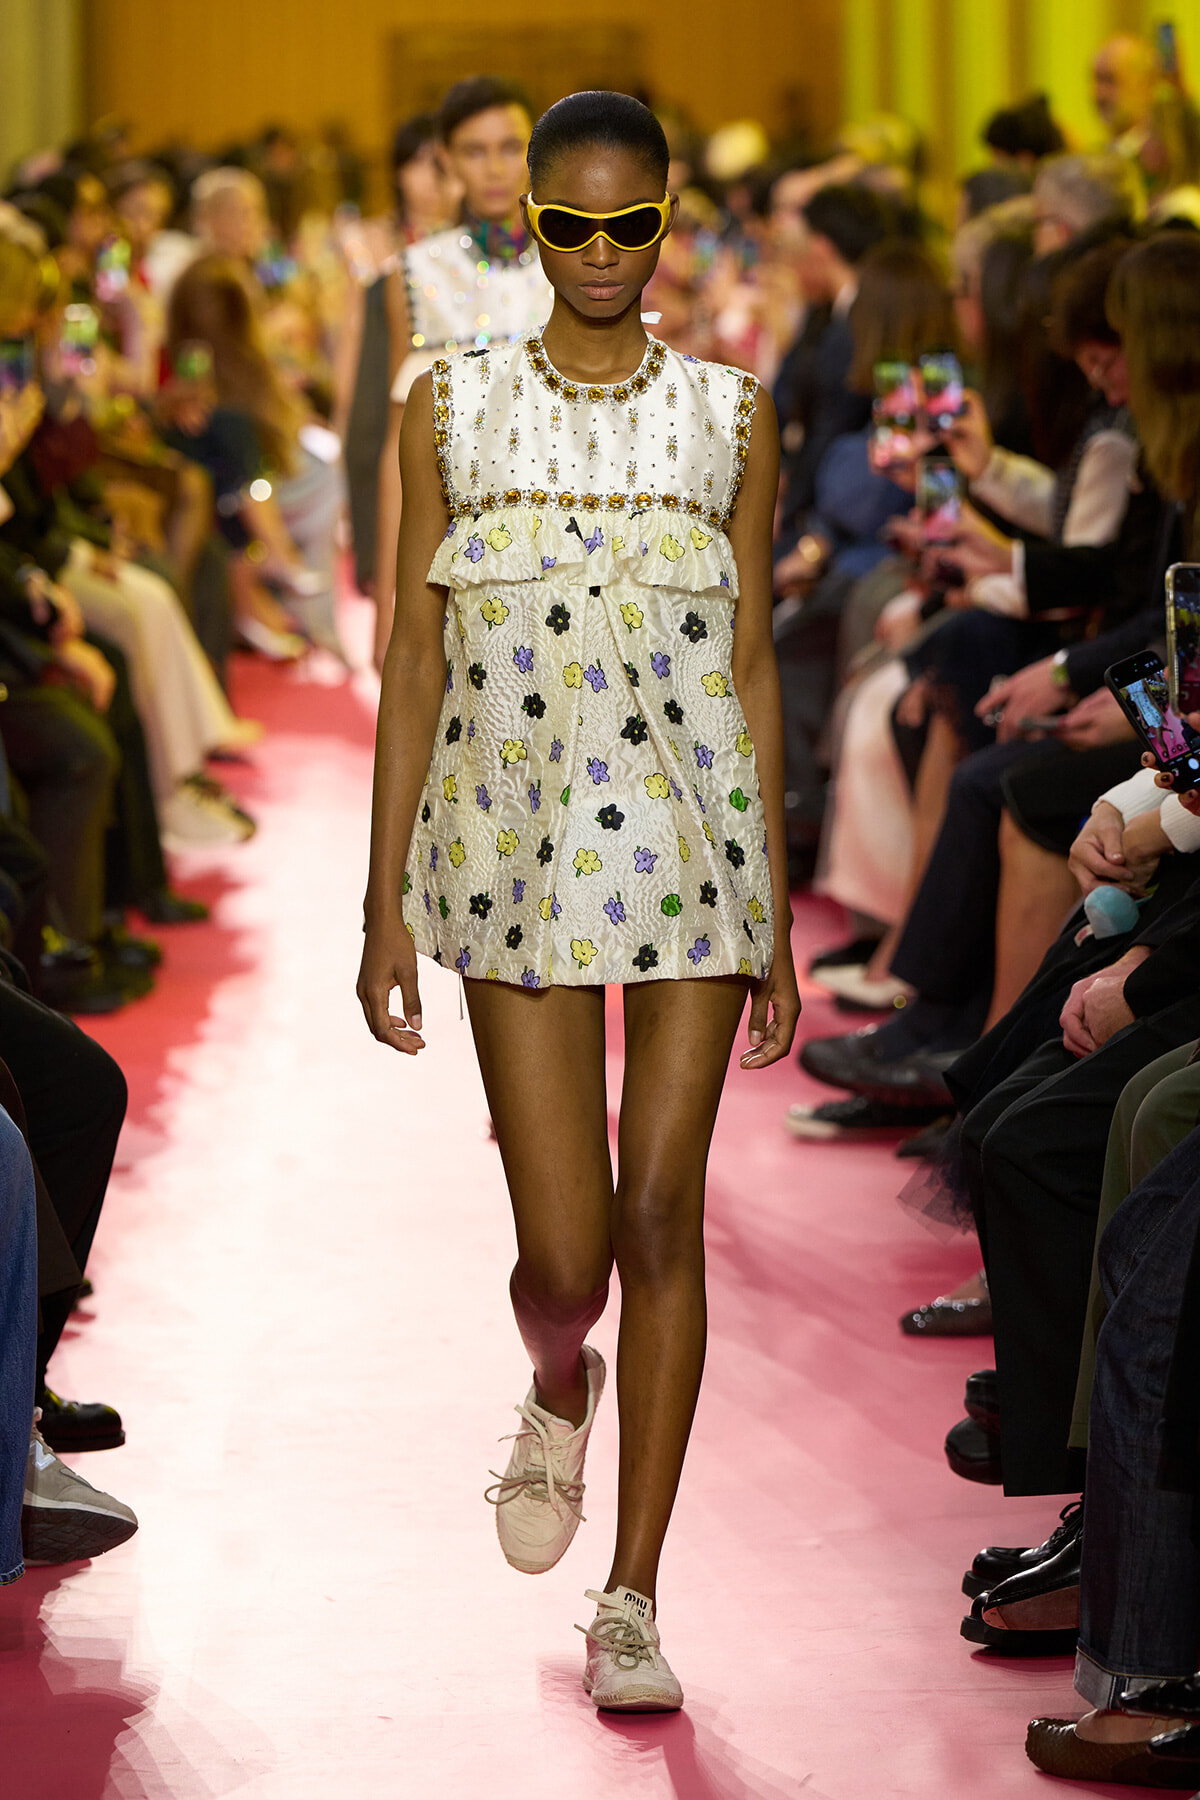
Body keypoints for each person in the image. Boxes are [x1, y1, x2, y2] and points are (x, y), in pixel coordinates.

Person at [358, 90, 799, 1713]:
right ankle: (562, 1374)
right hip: (509, 857)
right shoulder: (450, 405)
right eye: (571, 225)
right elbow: (414, 650)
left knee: (658, 1210)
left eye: (634, 225)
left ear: (670, 221)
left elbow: (750, 659)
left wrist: (776, 906)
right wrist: (378, 903)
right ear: (527, 222)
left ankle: (632, 1599)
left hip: (688, 856)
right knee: (565, 1253)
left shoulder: (732, 413)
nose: (603, 253)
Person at [371, 77, 552, 669]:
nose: (496, 168)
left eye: (510, 147)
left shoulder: (576, 259)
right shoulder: (417, 274)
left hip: (566, 534)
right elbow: (400, 449)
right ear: (446, 160)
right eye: (475, 151)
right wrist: (386, 605)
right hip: (455, 544)